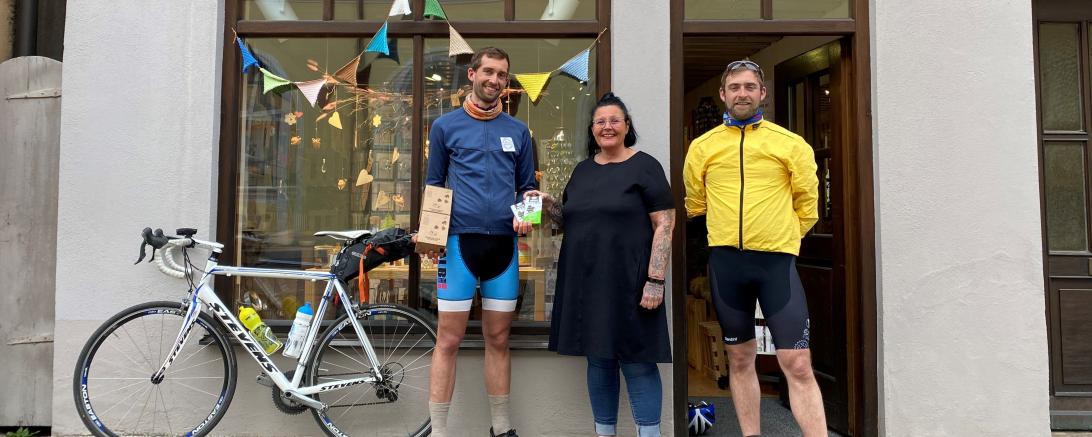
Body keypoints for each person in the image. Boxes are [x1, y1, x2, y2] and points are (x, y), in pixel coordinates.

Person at [683, 59, 824, 437]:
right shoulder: (702, 147)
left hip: (776, 263)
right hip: (727, 263)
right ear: (723, 94)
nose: (742, 93)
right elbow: (695, 204)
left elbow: (808, 203)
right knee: (739, 357)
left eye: (749, 86)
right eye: (735, 87)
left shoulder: (789, 144)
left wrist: (782, 237)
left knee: (797, 362)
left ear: (762, 93)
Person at [525, 92, 674, 437]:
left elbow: (664, 224)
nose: (607, 126)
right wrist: (547, 203)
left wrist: (655, 280)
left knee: (637, 361)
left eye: (614, 120)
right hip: (586, 281)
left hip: (632, 280)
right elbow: (567, 221)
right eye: (600, 122)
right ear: (592, 130)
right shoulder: (582, 170)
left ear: (626, 127)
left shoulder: (646, 166)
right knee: (599, 360)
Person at [422, 46, 536, 437]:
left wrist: (527, 218)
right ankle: (439, 431)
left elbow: (529, 188)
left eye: (502, 74)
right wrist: (433, 237)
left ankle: (501, 428)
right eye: (488, 71)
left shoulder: (519, 132)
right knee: (448, 339)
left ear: (506, 82)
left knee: (499, 338)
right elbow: (434, 185)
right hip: (458, 247)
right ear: (472, 74)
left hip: (504, 248)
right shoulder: (444, 127)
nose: (494, 79)